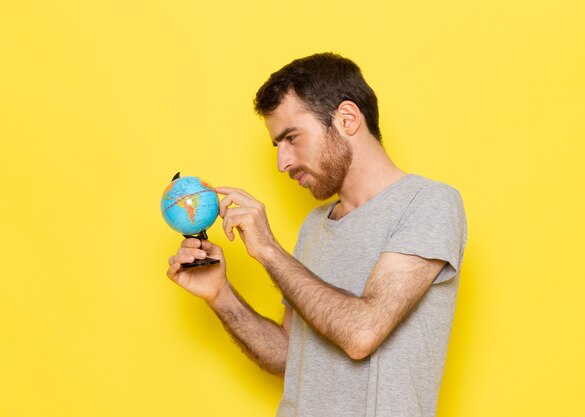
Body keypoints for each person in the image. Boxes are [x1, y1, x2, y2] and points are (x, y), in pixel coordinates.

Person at [167, 52, 467, 417]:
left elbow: (362, 334)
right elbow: (289, 356)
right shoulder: (315, 226)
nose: (282, 163)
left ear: (347, 118)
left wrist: (269, 251)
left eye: (291, 138)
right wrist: (220, 294)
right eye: (276, 146)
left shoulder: (428, 203)